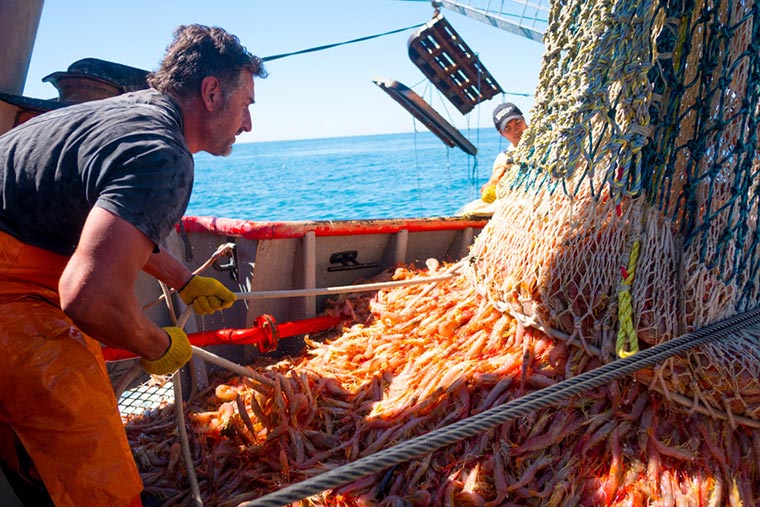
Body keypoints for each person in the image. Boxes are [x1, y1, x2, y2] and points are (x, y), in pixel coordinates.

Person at [0, 24, 267, 507]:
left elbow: (101, 230)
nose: (248, 124)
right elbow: (87, 297)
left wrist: (184, 280)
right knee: (98, 469)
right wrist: (158, 343)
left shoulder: (124, 117)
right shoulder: (162, 156)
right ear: (211, 92)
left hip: (17, 260)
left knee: (26, 455)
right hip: (11, 301)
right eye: (246, 104)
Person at [480, 102, 528, 202]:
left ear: (524, 120)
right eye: (507, 128)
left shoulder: (547, 139)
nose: (515, 130)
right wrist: (491, 185)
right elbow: (496, 177)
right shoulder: (504, 159)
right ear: (501, 133)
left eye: (518, 123)